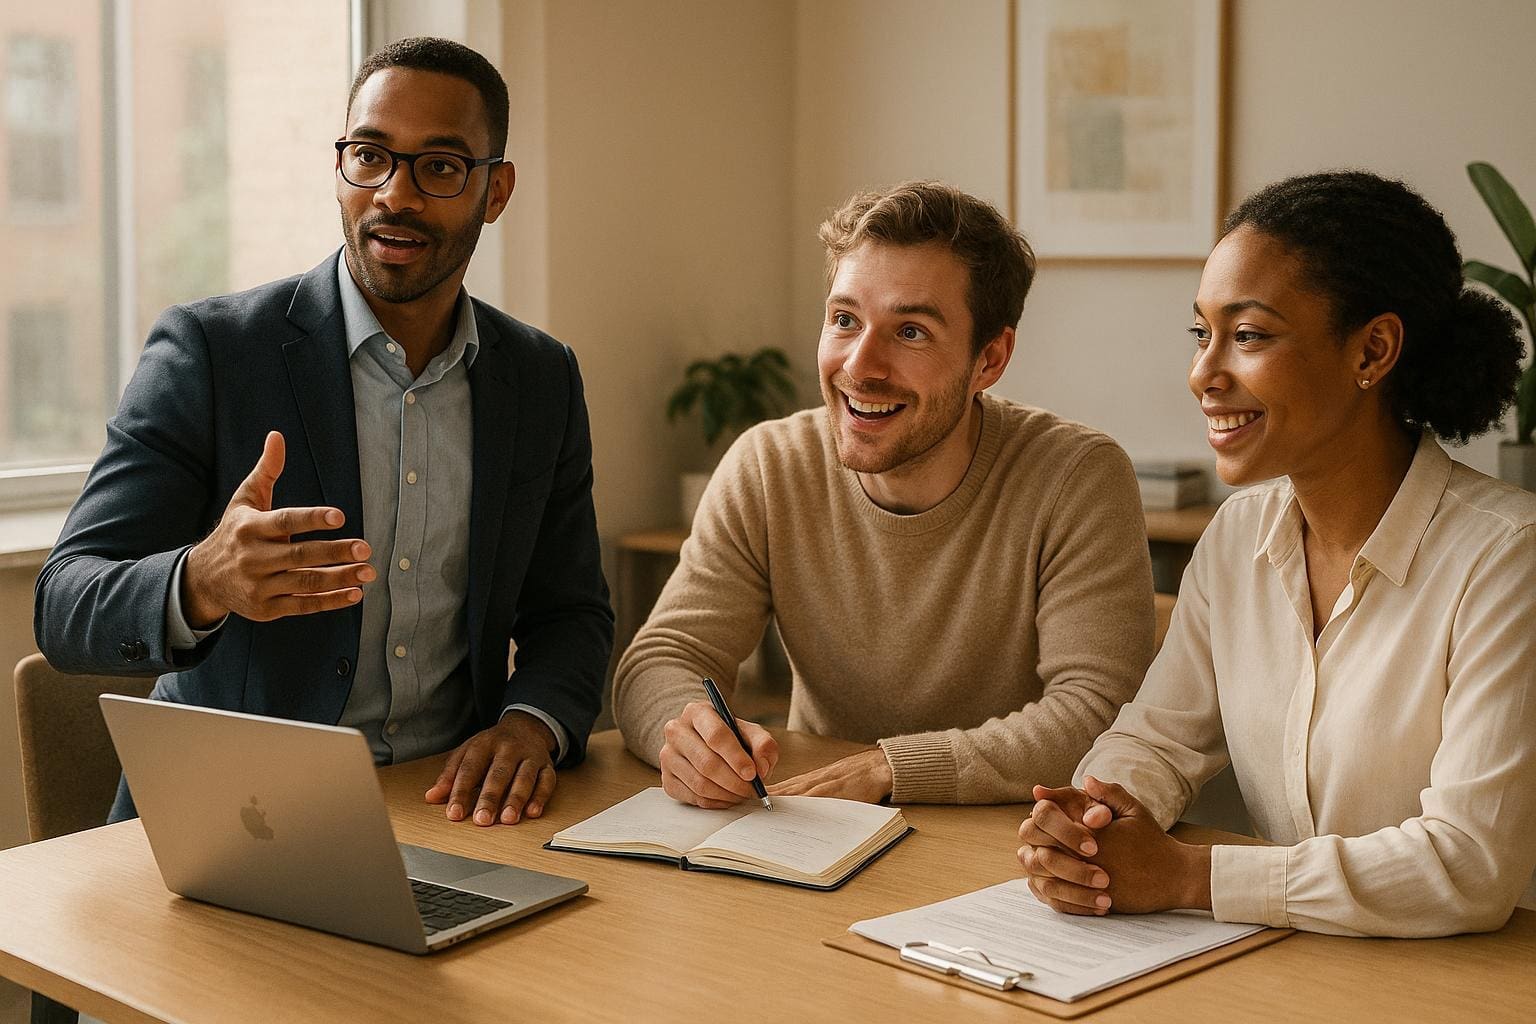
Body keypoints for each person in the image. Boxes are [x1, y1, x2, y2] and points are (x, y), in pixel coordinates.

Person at [35, 37, 612, 830]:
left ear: (496, 189)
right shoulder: (212, 351)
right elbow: (65, 606)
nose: (394, 195)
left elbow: (571, 614)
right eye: (370, 156)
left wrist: (530, 723)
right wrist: (203, 580)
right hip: (238, 824)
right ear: (339, 164)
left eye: (439, 166)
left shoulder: (542, 378)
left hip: (451, 815)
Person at [1018, 170, 1536, 937]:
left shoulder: (1507, 558)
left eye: (1249, 335)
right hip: (1289, 965)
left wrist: (1188, 875)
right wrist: (1092, 824)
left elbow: (1467, 864)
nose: (1203, 373)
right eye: (1202, 333)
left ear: (1373, 350)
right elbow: (1157, 736)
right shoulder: (1236, 539)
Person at [612, 181, 1155, 808]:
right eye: (844, 320)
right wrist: (688, 738)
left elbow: (1097, 713)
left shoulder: (1077, 476)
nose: (860, 365)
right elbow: (662, 657)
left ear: (990, 359)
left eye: (912, 332)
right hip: (813, 830)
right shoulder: (768, 466)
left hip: (1012, 846)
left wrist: (895, 768)